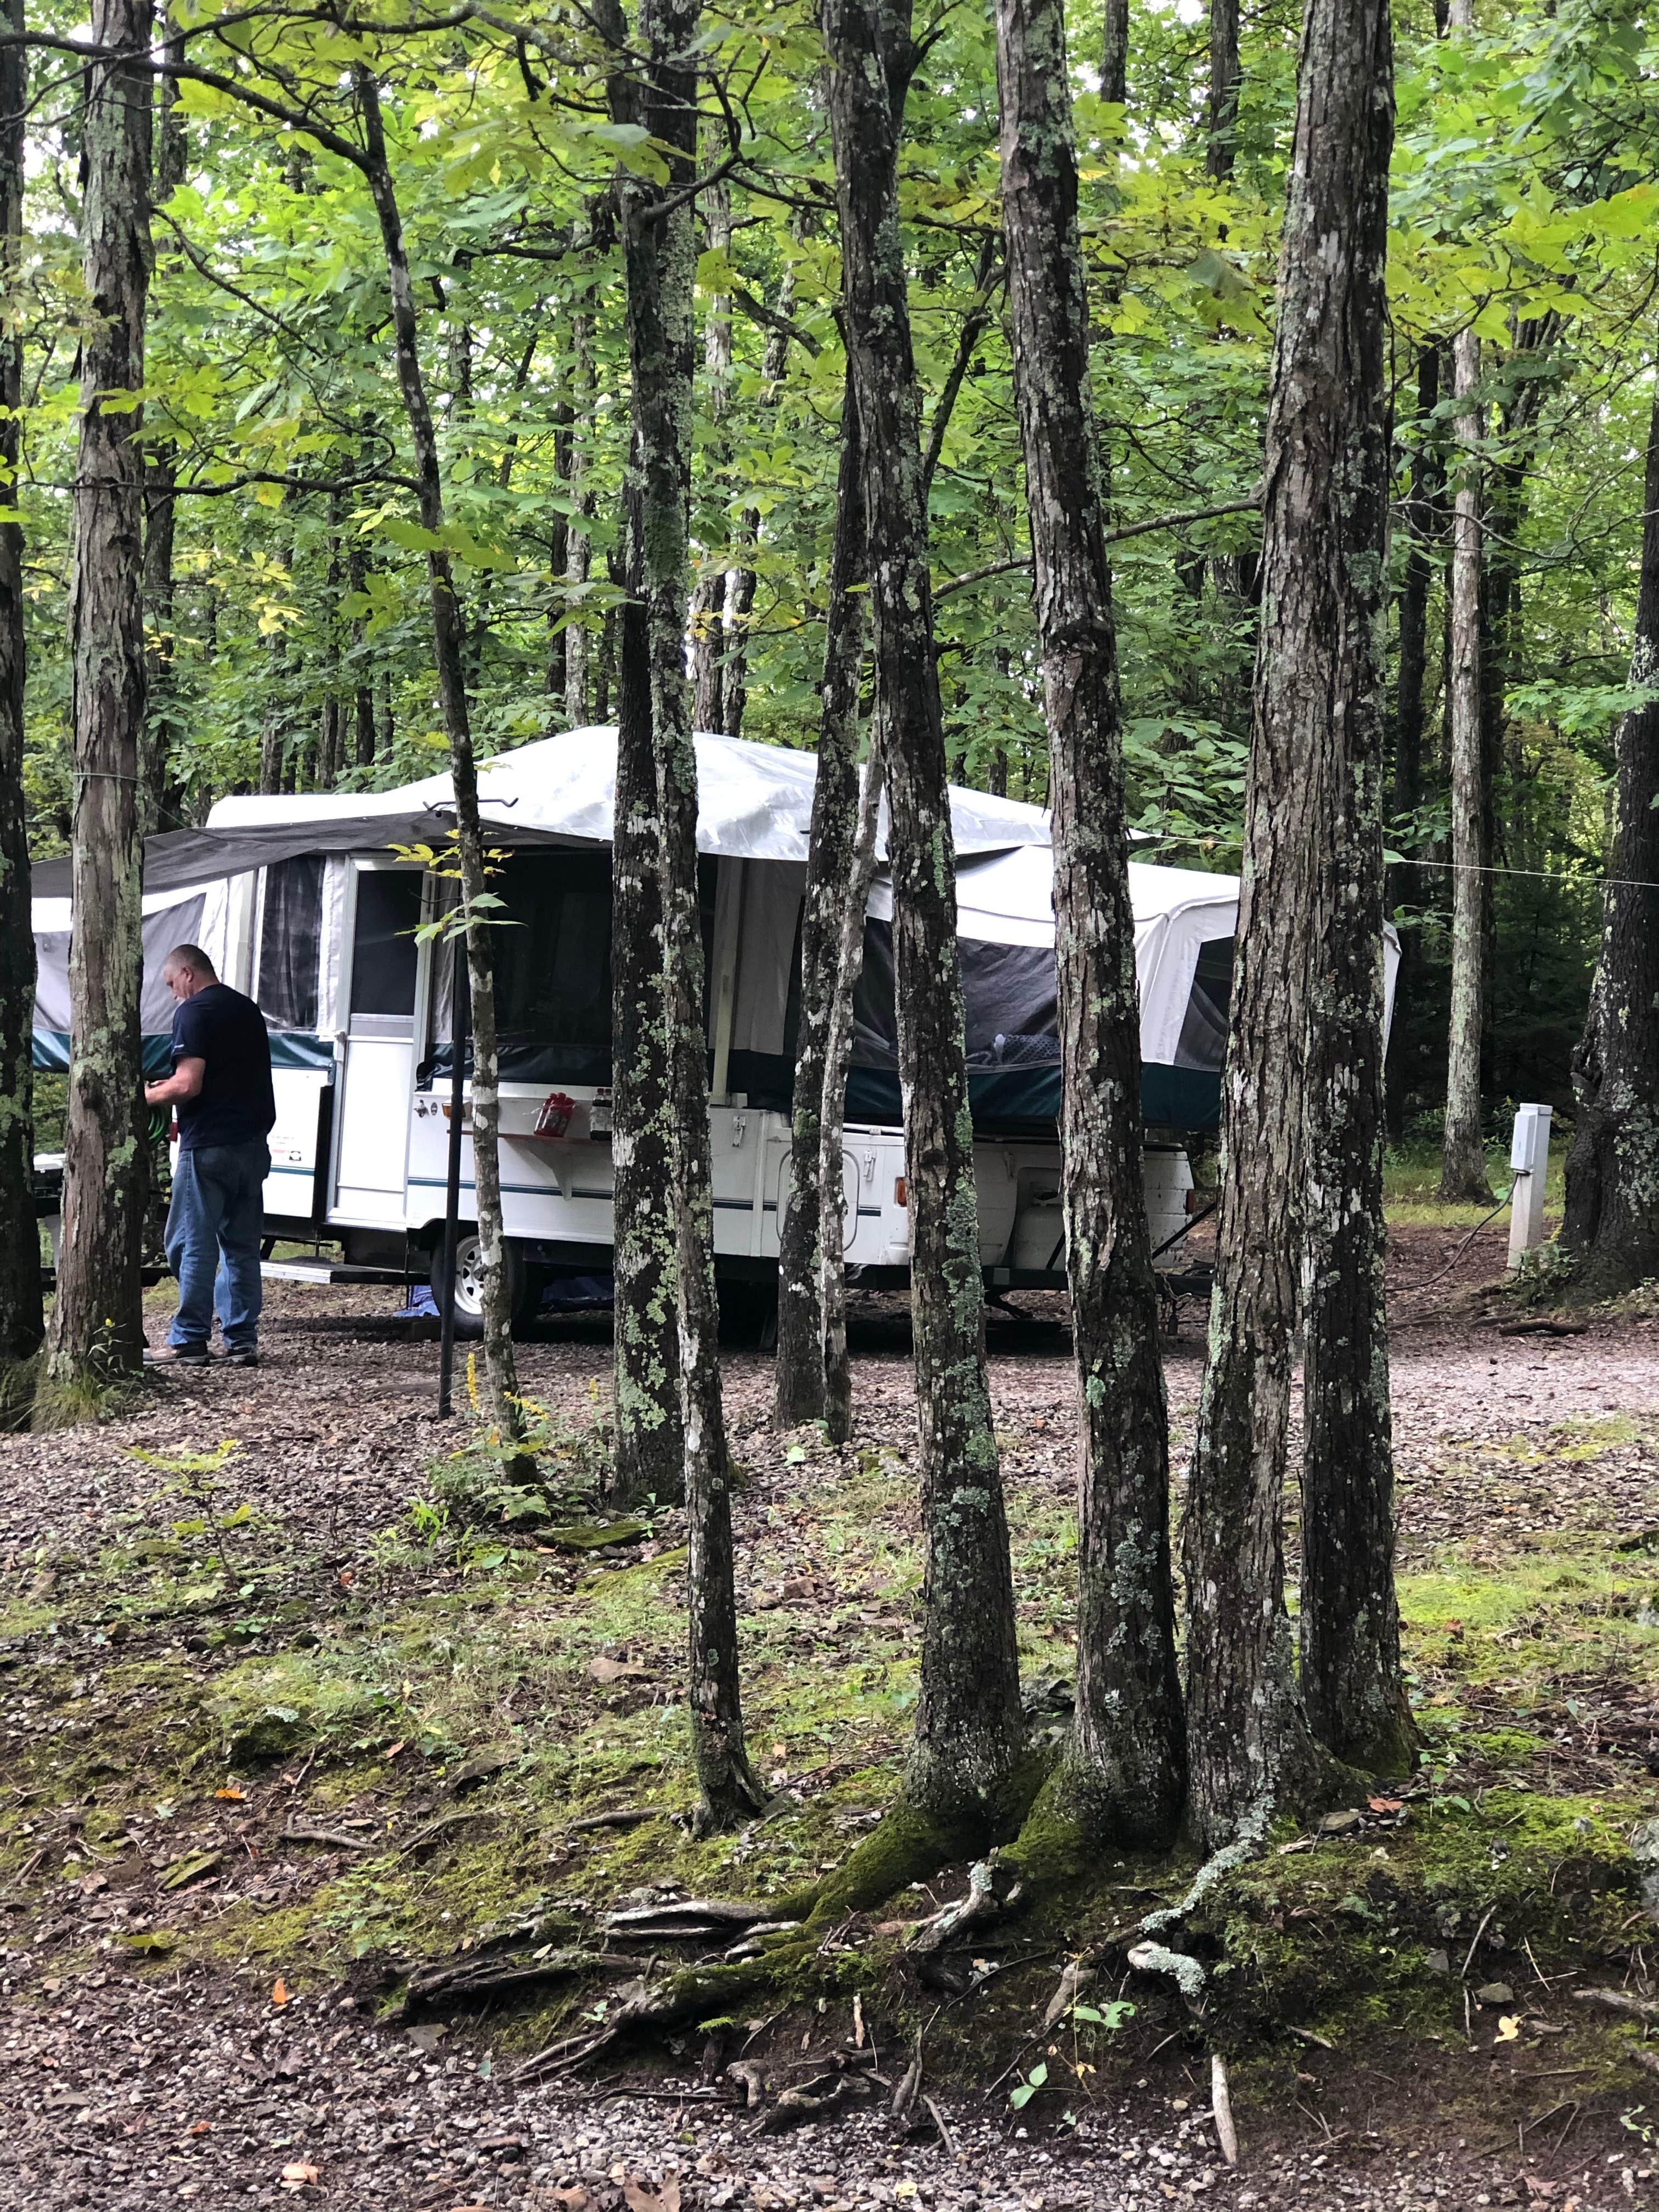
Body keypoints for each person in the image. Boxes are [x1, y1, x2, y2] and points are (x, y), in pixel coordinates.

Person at [142, 945, 276, 1369]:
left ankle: (190, 1338)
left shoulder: (193, 1012)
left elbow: (188, 1084)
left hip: (208, 1148)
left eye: (171, 986)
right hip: (252, 1145)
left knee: (189, 1242)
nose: (173, 996)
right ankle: (242, 1340)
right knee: (241, 1246)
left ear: (187, 974)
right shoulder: (247, 1010)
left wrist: (145, 1096)